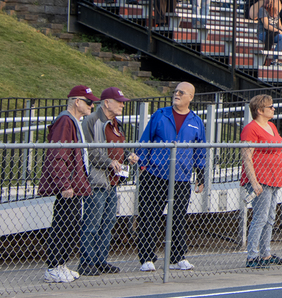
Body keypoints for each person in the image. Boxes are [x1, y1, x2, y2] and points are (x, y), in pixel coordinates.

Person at [136, 82, 206, 272]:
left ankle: (177, 257)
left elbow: (200, 151)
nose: (177, 94)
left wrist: (201, 176)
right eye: (176, 91)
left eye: (182, 92)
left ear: (190, 97)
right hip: (155, 174)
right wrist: (142, 163)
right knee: (149, 216)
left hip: (182, 178)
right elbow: (146, 139)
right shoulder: (161, 114)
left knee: (178, 218)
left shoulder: (196, 121)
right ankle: (147, 258)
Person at [79, 87, 139, 276]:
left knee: (108, 223)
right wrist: (109, 162)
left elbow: (118, 149)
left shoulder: (115, 123)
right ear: (107, 103)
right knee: (92, 224)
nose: (122, 105)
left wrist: (128, 155)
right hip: (96, 181)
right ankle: (87, 263)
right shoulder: (93, 121)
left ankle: (100, 260)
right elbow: (92, 152)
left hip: (112, 182)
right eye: (119, 101)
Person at [39, 85, 95, 284]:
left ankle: (61, 264)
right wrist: (64, 183)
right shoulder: (65, 121)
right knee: (63, 224)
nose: (91, 105)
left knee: (70, 225)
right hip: (68, 186)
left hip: (74, 184)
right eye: (88, 102)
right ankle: (53, 267)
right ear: (77, 102)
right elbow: (58, 154)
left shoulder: (74, 122)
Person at [241, 94, 282, 268]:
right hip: (261, 178)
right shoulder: (251, 129)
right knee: (260, 217)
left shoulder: (272, 126)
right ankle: (252, 256)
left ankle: (265, 253)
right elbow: (247, 157)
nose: (273, 109)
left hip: (274, 177)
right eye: (270, 107)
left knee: (270, 217)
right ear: (260, 110)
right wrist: (254, 182)